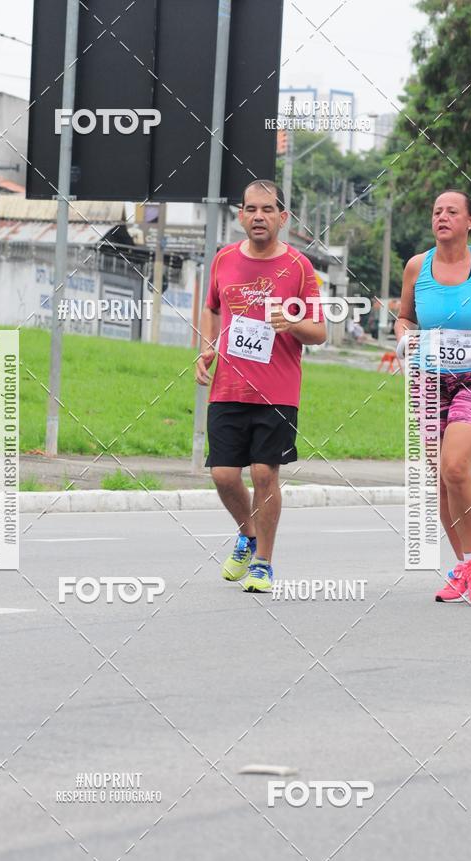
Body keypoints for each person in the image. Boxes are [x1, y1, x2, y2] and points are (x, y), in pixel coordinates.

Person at [195, 179, 326, 592]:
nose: (258, 217)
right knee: (222, 475)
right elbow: (211, 308)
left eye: (267, 209)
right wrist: (206, 349)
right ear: (240, 216)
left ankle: (263, 563)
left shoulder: (300, 268)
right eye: (251, 209)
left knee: (264, 474)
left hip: (278, 392)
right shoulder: (224, 260)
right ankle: (248, 536)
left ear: (282, 218)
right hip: (228, 387)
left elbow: (319, 331)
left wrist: (293, 324)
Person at [396, 189, 471, 604]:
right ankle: (464, 567)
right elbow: (405, 317)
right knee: (442, 482)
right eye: (436, 212)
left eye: (451, 211)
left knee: (456, 466)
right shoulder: (417, 267)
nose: (442, 217)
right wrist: (405, 338)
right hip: (429, 380)